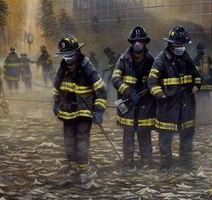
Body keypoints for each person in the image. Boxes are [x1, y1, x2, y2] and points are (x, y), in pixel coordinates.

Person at [53, 35, 107, 188]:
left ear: (77, 52)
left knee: (82, 141)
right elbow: (56, 87)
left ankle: (84, 170)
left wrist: (98, 111)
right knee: (69, 142)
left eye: (70, 54)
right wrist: (56, 104)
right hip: (66, 112)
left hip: (84, 112)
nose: (68, 58)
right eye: (65, 55)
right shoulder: (62, 67)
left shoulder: (86, 65)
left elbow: (101, 89)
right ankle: (73, 168)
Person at [148, 25, 202, 172]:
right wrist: (161, 95)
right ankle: (166, 164)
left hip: (186, 106)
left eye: (182, 45)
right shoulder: (161, 59)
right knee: (165, 137)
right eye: (178, 45)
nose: (180, 47)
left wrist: (197, 85)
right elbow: (152, 82)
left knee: (187, 136)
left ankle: (186, 162)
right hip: (168, 107)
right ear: (171, 44)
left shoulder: (186, 58)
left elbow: (197, 77)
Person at [112, 26, 155, 172]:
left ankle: (147, 163)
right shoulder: (123, 60)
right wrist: (129, 92)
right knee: (128, 136)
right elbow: (115, 79)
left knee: (144, 136)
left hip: (145, 106)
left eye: (140, 41)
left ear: (144, 43)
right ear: (131, 42)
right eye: (135, 41)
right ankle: (128, 164)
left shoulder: (151, 61)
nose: (138, 43)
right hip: (128, 105)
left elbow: (156, 80)